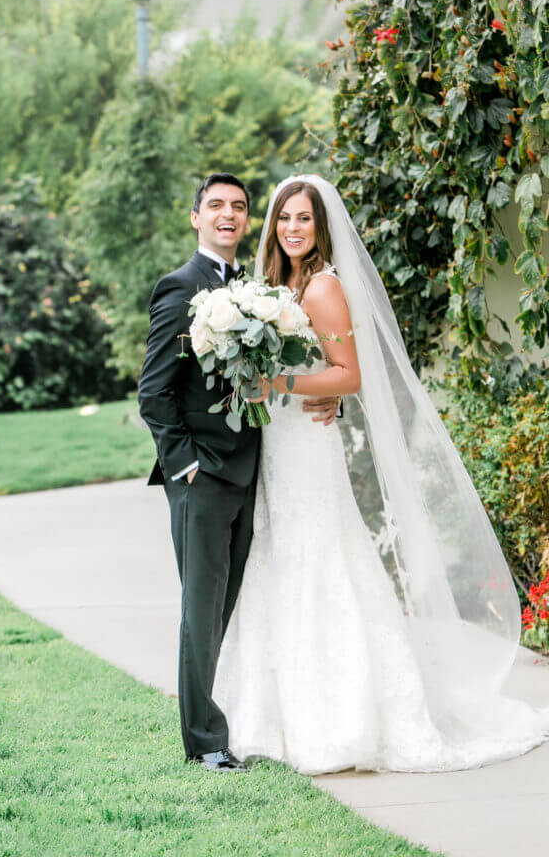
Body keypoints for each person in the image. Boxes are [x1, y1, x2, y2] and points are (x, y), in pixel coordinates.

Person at [212, 173, 549, 775]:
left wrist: (281, 384)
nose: (291, 228)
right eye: (284, 218)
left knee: (321, 558)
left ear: (320, 228)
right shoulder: (274, 288)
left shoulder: (323, 288)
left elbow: (349, 375)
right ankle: (270, 718)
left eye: (303, 219)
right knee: (280, 557)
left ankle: (341, 721)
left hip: (308, 452)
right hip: (278, 448)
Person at [137, 173, 339, 773]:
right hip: (202, 479)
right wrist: (185, 467)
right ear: (195, 216)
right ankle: (204, 743)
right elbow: (154, 394)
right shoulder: (180, 288)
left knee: (231, 608)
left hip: (256, 473)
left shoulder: (255, 288)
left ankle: (233, 719)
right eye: (217, 205)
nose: (229, 214)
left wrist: (332, 396)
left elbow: (294, 365)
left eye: (240, 207)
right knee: (202, 610)